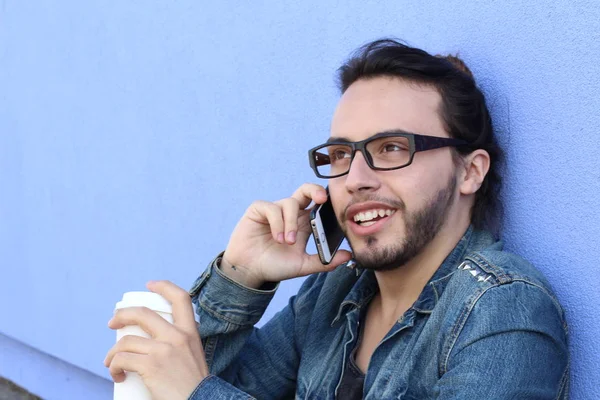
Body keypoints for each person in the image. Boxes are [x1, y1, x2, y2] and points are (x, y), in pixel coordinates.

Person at [104, 39, 570, 399]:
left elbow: (198, 389)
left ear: (470, 171)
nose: (355, 177)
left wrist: (197, 394)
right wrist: (243, 276)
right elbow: (201, 385)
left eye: (392, 148)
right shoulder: (334, 293)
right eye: (342, 153)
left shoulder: (503, 310)